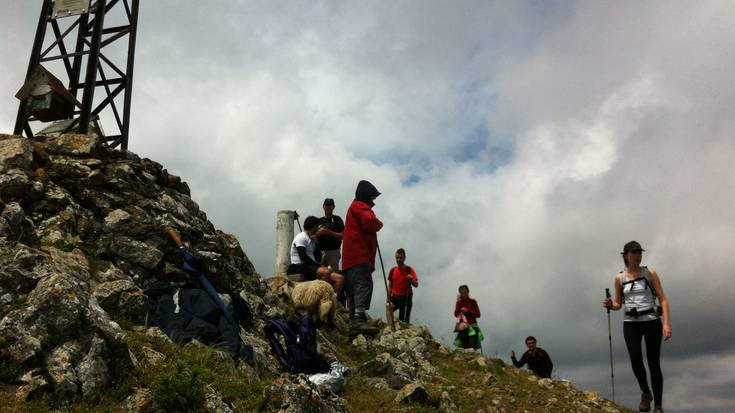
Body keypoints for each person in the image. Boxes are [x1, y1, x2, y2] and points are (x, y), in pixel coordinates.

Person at [603, 241, 671, 413]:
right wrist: (611, 305)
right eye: (634, 253)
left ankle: (658, 406)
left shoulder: (649, 273)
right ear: (626, 255)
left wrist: (667, 324)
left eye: (639, 252)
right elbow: (619, 303)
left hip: (651, 321)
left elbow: (662, 298)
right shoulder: (620, 278)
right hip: (631, 322)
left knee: (654, 363)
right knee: (635, 358)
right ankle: (646, 392)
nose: (638, 256)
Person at [342, 180, 383, 324]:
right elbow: (370, 221)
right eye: (372, 197)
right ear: (366, 196)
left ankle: (353, 318)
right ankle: (360, 317)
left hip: (350, 258)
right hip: (360, 255)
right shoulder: (360, 206)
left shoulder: (354, 207)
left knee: (352, 287)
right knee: (363, 283)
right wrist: (379, 224)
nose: (373, 201)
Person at [287, 216, 345, 296]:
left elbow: (318, 258)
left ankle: (333, 301)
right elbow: (303, 256)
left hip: (310, 266)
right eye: (318, 227)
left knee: (340, 279)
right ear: (314, 227)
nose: (318, 229)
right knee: (326, 271)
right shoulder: (301, 237)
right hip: (299, 266)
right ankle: (324, 297)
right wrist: (318, 266)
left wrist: (317, 243)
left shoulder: (312, 240)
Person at [388, 248, 418, 323]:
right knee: (388, 307)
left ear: (404, 258)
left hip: (406, 297)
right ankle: (391, 326)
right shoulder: (393, 270)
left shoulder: (409, 270)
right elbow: (390, 286)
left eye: (400, 258)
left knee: (404, 320)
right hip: (395, 296)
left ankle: (403, 328)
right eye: (397, 258)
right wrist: (388, 297)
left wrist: (411, 280)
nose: (398, 260)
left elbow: (416, 285)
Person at [316, 198, 344, 271]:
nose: (328, 207)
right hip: (320, 252)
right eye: (326, 205)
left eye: (330, 205)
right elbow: (312, 236)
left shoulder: (337, 219)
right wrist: (318, 234)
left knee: (332, 274)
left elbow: (343, 236)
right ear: (323, 206)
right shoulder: (318, 221)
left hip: (333, 251)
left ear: (333, 207)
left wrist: (329, 232)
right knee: (320, 275)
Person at [453, 285, 483, 349]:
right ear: (460, 293)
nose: (463, 294)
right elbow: (456, 314)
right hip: (463, 327)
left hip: (473, 326)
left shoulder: (473, 301)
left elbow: (478, 314)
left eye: (465, 292)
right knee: (465, 346)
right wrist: (459, 305)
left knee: (471, 346)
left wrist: (468, 310)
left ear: (468, 292)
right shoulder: (458, 303)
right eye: (462, 293)